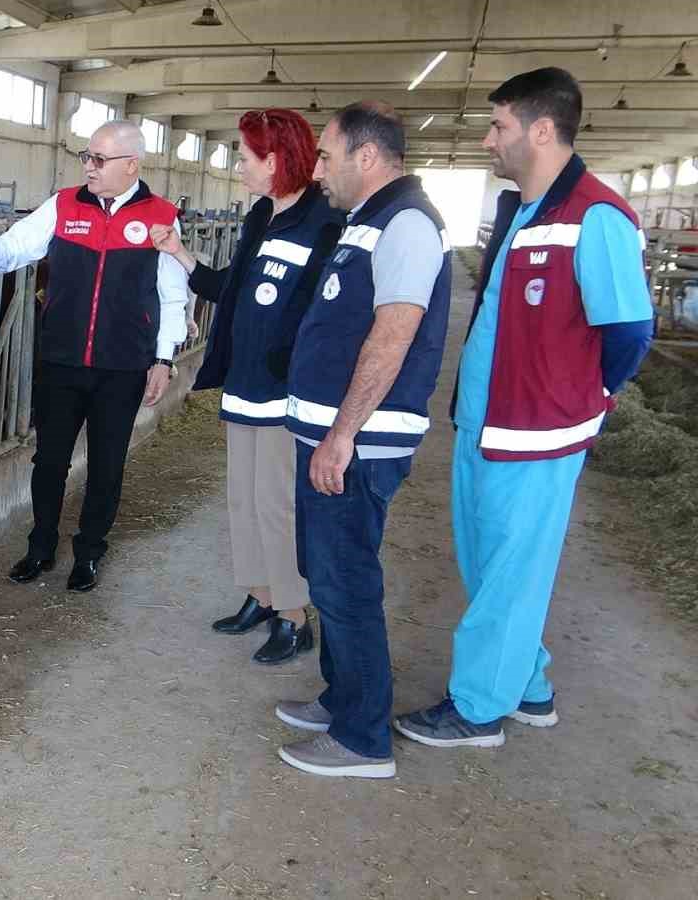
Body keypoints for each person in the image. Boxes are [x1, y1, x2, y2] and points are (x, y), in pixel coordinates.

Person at [394, 68, 653, 748]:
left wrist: (593, 396)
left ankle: (479, 709)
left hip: (540, 430)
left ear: (542, 130)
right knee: (491, 564)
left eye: (499, 126)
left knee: (511, 571)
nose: (488, 140)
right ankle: (529, 685)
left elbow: (629, 330)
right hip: (486, 420)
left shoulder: (596, 215)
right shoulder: (522, 211)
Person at [272, 101, 453, 779]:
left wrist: (342, 433)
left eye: (326, 155)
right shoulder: (368, 221)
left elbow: (394, 332)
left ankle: (362, 738)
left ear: (367, 157)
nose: (318, 169)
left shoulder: (406, 223)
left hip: (358, 441)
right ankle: (342, 696)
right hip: (329, 433)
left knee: (346, 582)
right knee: (325, 571)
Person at [0, 120, 189, 592]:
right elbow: (18, 245)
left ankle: (89, 551)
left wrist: (163, 358)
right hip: (61, 359)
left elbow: (172, 295)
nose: (88, 167)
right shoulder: (65, 204)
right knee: (49, 461)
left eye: (99, 159)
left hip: (123, 365)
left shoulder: (160, 217)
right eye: (86, 157)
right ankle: (41, 546)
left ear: (131, 165)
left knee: (107, 464)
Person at [153, 108, 344, 664]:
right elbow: (234, 290)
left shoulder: (326, 221)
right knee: (242, 500)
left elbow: (325, 315)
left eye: (245, 157)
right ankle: (260, 596)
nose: (239, 167)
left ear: (276, 160)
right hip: (244, 384)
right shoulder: (261, 214)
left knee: (275, 505)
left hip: (287, 392)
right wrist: (181, 255)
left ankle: (293, 615)